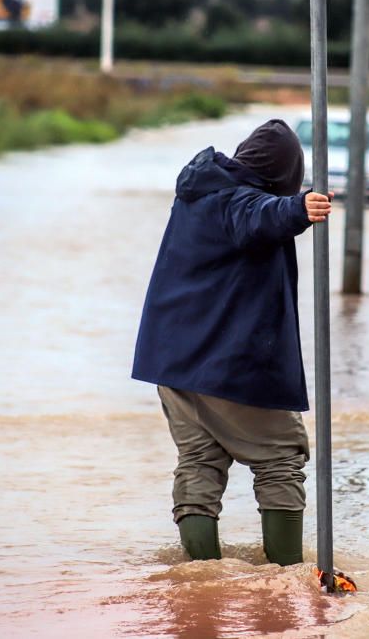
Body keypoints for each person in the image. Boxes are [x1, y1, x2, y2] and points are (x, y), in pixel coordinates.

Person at [132, 119, 333, 566]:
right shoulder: (237, 200)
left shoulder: (198, 194)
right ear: (282, 177)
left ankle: (200, 583)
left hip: (172, 362)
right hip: (226, 366)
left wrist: (290, 209)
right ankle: (285, 579)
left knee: (200, 460)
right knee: (281, 456)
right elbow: (257, 218)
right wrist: (299, 209)